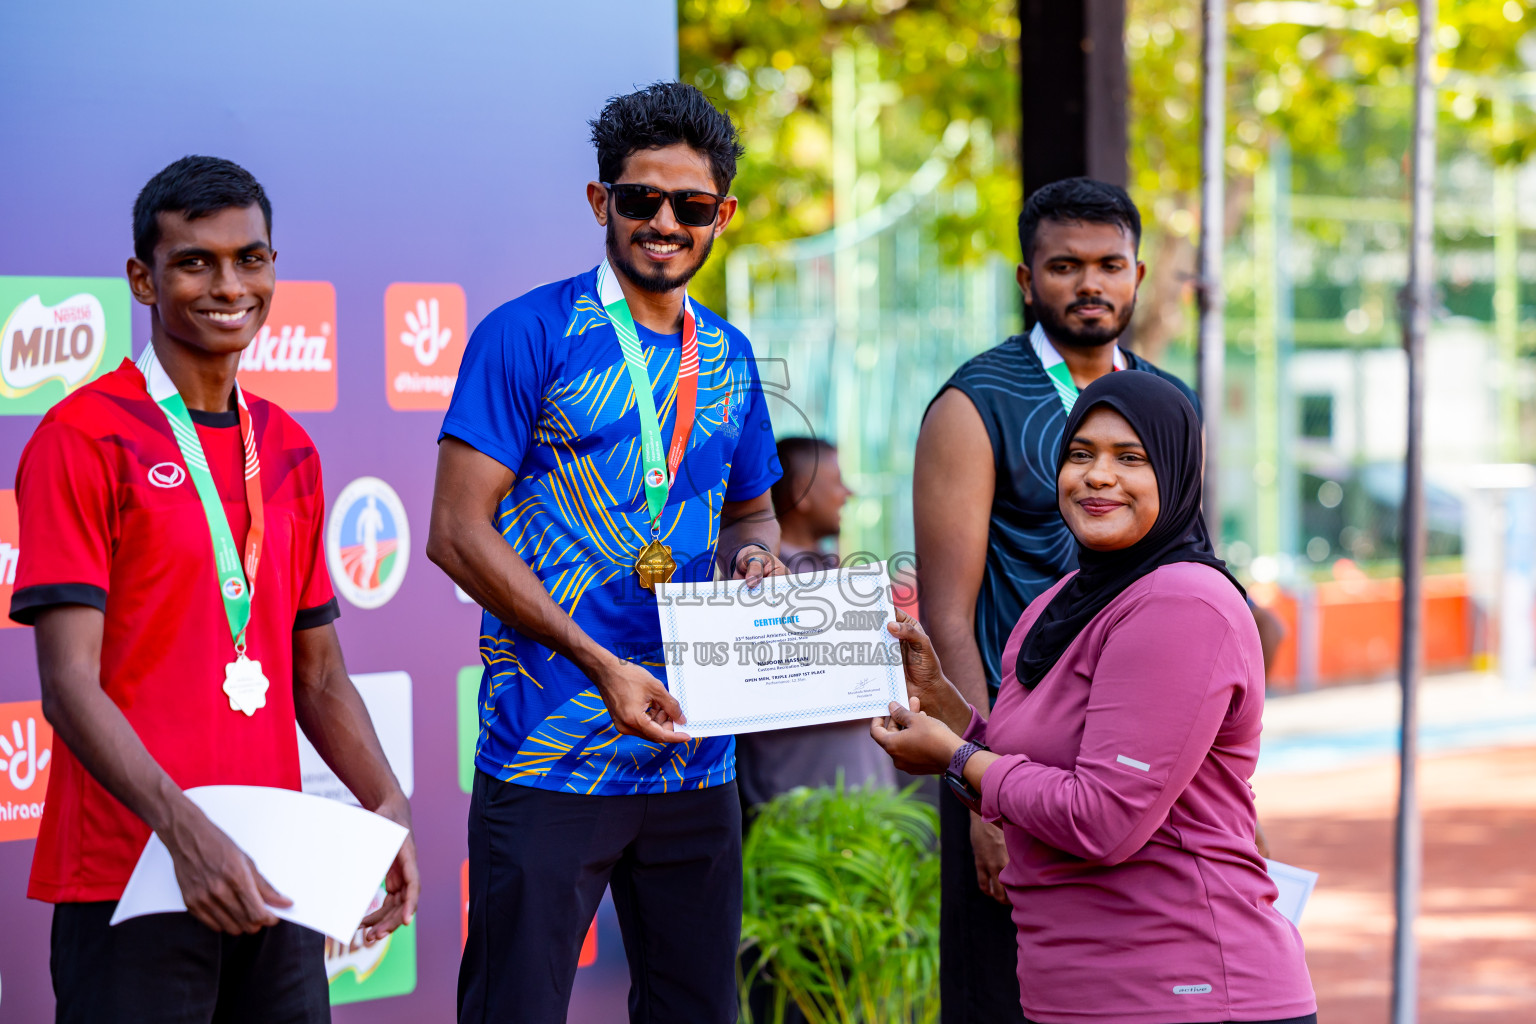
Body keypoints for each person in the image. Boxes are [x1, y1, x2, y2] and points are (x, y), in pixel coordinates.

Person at [9, 155, 418, 1024]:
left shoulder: (290, 446)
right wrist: (181, 830)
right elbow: (67, 688)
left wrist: (388, 805)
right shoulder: (82, 437)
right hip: (132, 876)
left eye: (252, 259)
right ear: (143, 280)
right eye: (196, 261)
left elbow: (318, 676)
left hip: (275, 876)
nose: (230, 284)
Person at [427, 82, 787, 1024]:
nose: (664, 223)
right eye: (640, 200)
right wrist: (601, 664)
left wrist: (755, 569)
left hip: (695, 757)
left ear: (723, 216)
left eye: (691, 206)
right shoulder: (528, 333)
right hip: (550, 757)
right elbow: (456, 532)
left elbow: (753, 516)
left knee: (697, 1010)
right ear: (601, 203)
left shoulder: (734, 357)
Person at [874, 371, 1317, 1024]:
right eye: (1080, 454)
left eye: (1130, 458)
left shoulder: (1183, 603)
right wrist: (947, 710)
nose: (1097, 475)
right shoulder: (1058, 605)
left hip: (1191, 992)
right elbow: (1035, 776)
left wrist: (956, 758)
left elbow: (1102, 818)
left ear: (1174, 472)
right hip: (1080, 992)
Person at [913, 177, 1198, 1023]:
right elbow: (946, 620)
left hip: (1131, 763)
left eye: (1110, 264)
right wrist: (982, 791)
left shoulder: (1165, 401)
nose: (1090, 285)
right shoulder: (975, 403)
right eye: (1065, 266)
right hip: (1008, 760)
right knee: (1007, 997)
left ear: (1139, 275)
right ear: (1026, 280)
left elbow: (1193, 575)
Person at [735, 438, 895, 816]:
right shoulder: (753, 586)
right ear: (801, 493)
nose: (848, 493)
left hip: (868, 813)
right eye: (837, 480)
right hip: (796, 819)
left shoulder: (832, 575)